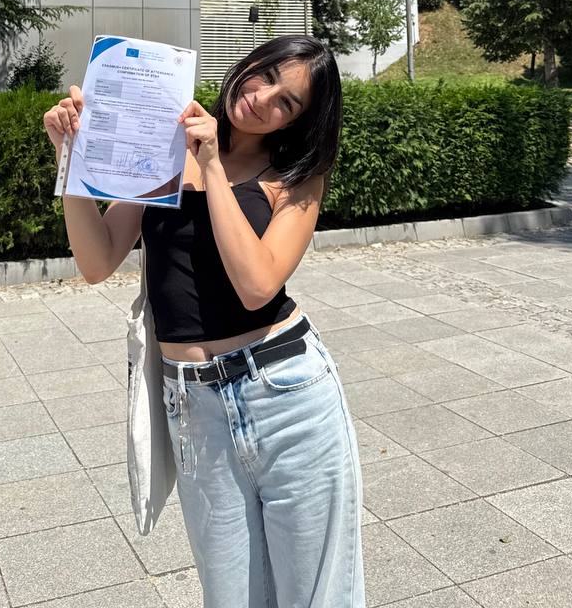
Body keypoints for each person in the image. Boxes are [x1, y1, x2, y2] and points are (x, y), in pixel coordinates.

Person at [43, 35, 365, 608]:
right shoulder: (165, 149)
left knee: (319, 595)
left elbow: (257, 285)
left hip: (284, 394)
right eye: (266, 75)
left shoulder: (295, 178)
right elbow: (97, 261)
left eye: (287, 103)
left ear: (299, 121)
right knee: (231, 596)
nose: (262, 98)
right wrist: (72, 157)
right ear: (248, 64)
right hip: (193, 406)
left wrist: (212, 165)